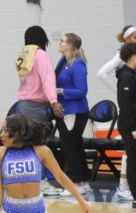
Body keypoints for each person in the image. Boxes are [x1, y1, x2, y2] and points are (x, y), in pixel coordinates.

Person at [16, 25, 63, 196]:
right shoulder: (40, 55)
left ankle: (28, 182)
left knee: (27, 146)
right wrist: (54, 102)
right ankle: (41, 183)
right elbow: (48, 80)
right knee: (39, 145)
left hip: (23, 105)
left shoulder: (23, 54)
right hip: (36, 106)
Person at [96, 25, 136, 201]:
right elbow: (101, 73)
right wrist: (117, 91)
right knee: (131, 156)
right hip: (129, 117)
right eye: (134, 37)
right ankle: (126, 188)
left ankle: (126, 187)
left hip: (131, 113)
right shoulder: (123, 60)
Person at [54, 33, 91, 196]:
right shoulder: (63, 61)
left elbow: (82, 91)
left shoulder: (78, 64)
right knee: (75, 146)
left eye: (62, 41)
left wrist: (61, 91)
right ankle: (83, 181)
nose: (60, 43)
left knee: (70, 147)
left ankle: (76, 183)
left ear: (70, 45)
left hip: (74, 110)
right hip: (64, 110)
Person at [117, 42, 136, 210]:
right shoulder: (125, 76)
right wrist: (132, 129)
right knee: (133, 160)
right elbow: (125, 106)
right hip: (130, 125)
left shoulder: (132, 75)